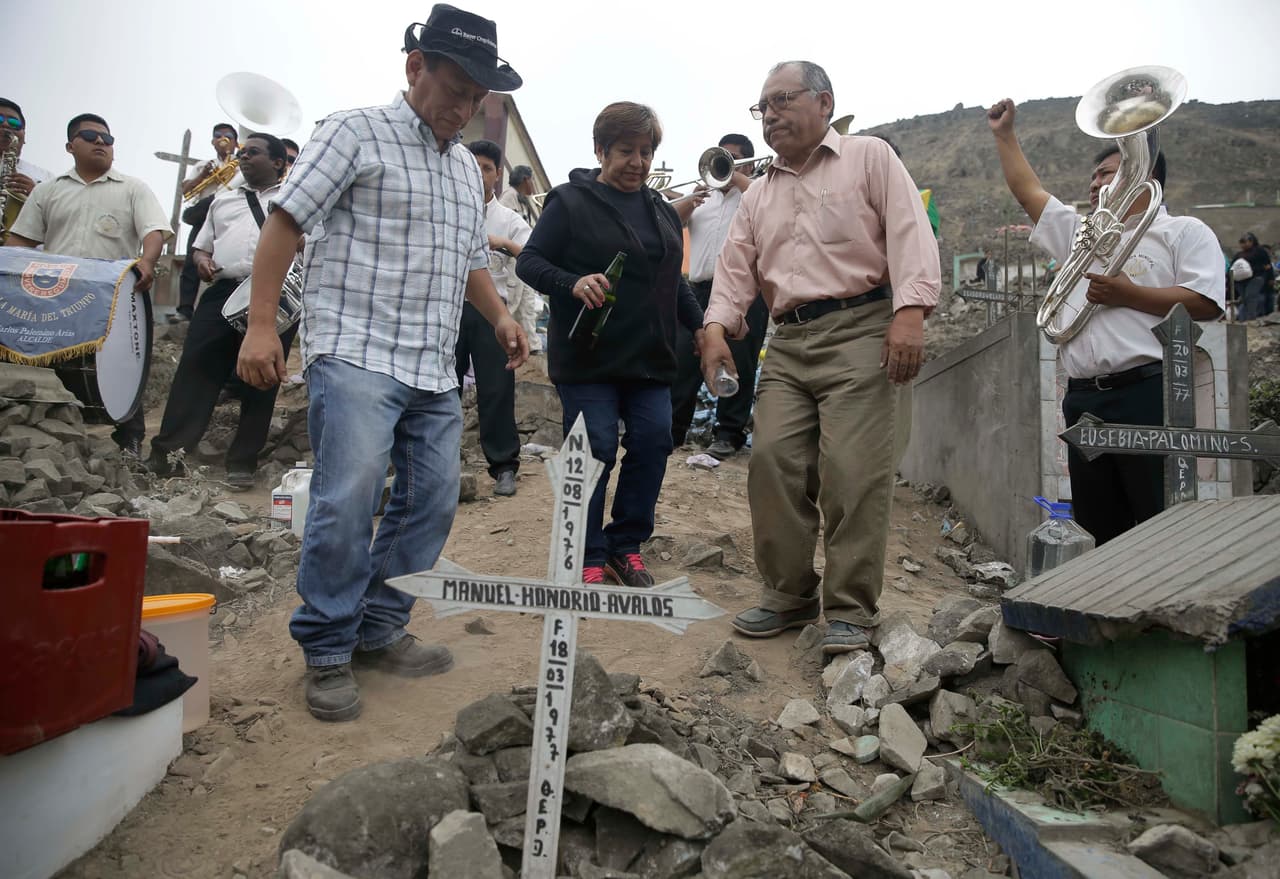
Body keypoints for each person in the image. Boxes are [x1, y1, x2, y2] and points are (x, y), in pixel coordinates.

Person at [235, 5, 526, 723]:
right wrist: (264, 324)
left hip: (431, 362)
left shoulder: (465, 171)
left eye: (476, 98)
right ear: (415, 68)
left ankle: (378, 626)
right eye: (454, 88)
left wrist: (500, 316)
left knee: (431, 498)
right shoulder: (353, 131)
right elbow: (286, 223)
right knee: (351, 491)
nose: (463, 108)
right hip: (356, 348)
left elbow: (470, 262)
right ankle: (329, 646)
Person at [700, 61, 940, 654]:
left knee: (853, 475)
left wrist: (911, 311)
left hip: (863, 330)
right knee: (772, 463)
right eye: (762, 108)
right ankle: (788, 594)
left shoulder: (870, 158)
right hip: (786, 341)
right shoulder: (759, 194)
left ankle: (850, 608)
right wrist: (715, 328)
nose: (771, 115)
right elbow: (736, 267)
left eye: (782, 100)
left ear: (824, 102)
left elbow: (911, 231)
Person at [987, 97, 1224, 545]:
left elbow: (1205, 301)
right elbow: (1029, 192)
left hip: (1149, 395)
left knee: (1159, 523)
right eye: (1093, 176)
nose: (1095, 184)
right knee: (1100, 527)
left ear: (1145, 175)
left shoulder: (1184, 232)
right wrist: (1004, 135)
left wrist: (1127, 295)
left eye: (1106, 173)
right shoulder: (1083, 234)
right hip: (1084, 401)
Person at [517, 101, 704, 589]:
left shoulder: (661, 211)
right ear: (600, 149)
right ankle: (585, 549)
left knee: (654, 440)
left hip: (649, 358)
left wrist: (702, 327)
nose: (638, 162)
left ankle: (626, 545)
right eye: (626, 151)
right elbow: (530, 262)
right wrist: (573, 282)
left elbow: (674, 282)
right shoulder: (570, 202)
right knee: (595, 445)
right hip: (588, 358)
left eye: (646, 152)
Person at [7, 113, 171, 454]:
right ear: (70, 145)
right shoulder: (48, 190)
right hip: (54, 296)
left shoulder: (133, 188)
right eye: (90, 136)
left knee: (119, 365)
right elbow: (19, 242)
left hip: (111, 296)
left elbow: (153, 231)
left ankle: (130, 440)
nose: (101, 143)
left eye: (107, 139)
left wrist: (148, 260)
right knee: (54, 359)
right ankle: (53, 435)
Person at [147, 133, 295, 489]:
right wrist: (201, 261)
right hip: (223, 292)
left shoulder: (294, 200)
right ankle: (168, 455)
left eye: (253, 153)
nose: (243, 157)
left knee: (262, 378)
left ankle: (242, 463)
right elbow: (200, 247)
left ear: (277, 162)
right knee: (196, 367)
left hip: (275, 292)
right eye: (242, 152)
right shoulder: (221, 202)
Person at [670, 132, 768, 459]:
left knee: (738, 359)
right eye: (720, 158)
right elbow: (672, 223)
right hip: (697, 291)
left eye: (732, 158)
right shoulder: (704, 199)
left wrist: (738, 177)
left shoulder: (757, 193)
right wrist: (690, 199)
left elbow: (775, 206)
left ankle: (728, 433)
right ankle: (673, 430)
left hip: (745, 292)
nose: (723, 164)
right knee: (684, 358)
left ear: (749, 164)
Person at [460, 138, 530, 497]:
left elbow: (532, 257)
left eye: (486, 168)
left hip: (493, 313)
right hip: (449, 308)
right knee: (437, 389)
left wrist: (501, 243)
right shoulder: (447, 207)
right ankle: (435, 464)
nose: (478, 174)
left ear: (497, 174)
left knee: (496, 389)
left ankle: (504, 466)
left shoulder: (509, 219)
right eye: (472, 166)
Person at [175, 123, 242, 321]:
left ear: (236, 142)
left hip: (230, 215)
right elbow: (186, 190)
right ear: (213, 141)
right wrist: (205, 175)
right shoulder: (202, 165)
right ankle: (185, 309)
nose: (223, 138)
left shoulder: (241, 166)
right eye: (218, 135)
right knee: (192, 261)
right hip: (203, 214)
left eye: (228, 135)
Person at [0, 98, 51, 243]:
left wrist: (37, 196)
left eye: (14, 123)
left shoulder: (45, 177)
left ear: (24, 136)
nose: (5, 125)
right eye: (0, 119)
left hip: (21, 256)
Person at [1233, 232, 1275, 319]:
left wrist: (1271, 278)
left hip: (1256, 277)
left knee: (1251, 296)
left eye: (1245, 242)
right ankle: (1244, 318)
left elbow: (1268, 265)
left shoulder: (1260, 251)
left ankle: (1251, 318)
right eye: (1241, 242)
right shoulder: (1239, 254)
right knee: (1245, 299)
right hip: (1241, 281)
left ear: (1252, 242)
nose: (1243, 245)